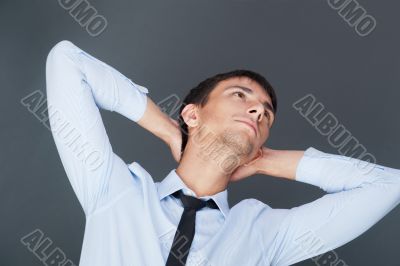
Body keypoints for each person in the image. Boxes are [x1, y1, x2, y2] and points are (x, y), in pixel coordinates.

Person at [45, 40, 400, 266]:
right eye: (240, 95)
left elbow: (389, 186)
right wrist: (171, 131)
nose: (259, 111)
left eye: (267, 112)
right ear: (192, 113)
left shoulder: (264, 233)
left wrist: (265, 160)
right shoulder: (114, 190)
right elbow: (66, 61)